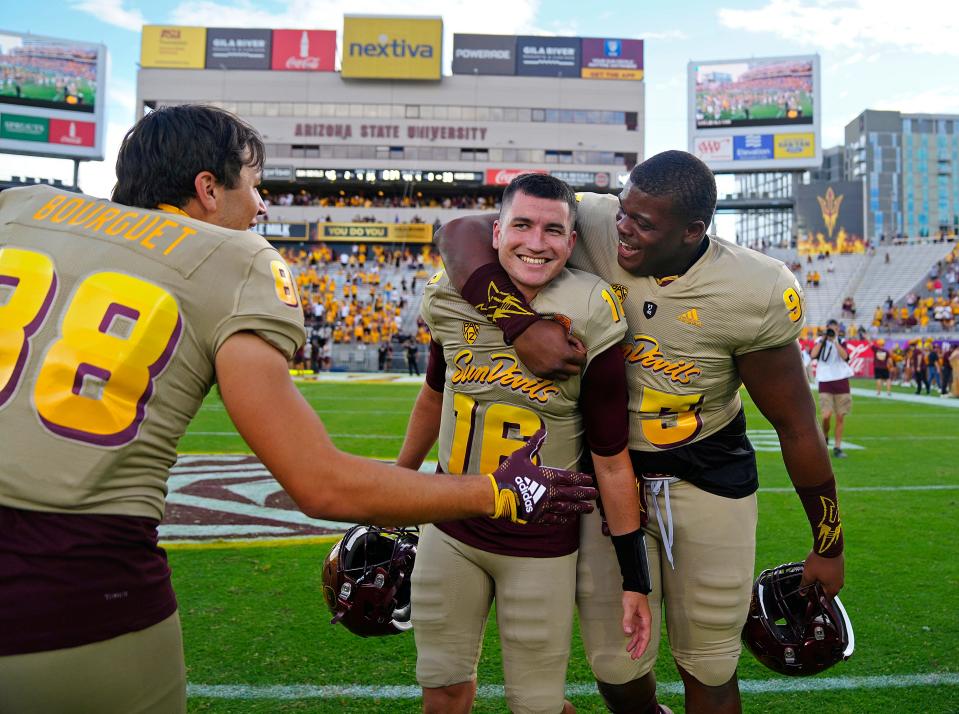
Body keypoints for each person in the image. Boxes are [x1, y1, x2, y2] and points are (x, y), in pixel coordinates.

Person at [0, 105, 596, 714]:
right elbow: (320, 484)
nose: (261, 207)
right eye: (255, 186)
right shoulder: (236, 260)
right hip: (77, 586)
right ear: (208, 189)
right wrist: (500, 492)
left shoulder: (20, 209)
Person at [436, 150, 845, 714]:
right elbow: (460, 231)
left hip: (706, 478)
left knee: (709, 660)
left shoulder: (752, 289)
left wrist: (829, 545)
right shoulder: (600, 222)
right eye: (624, 212)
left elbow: (797, 427)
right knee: (615, 664)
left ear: (694, 231)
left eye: (644, 224)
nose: (623, 230)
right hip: (609, 475)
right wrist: (517, 323)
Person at [396, 173, 650, 714]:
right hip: (451, 527)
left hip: (540, 543)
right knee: (441, 685)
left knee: (535, 704)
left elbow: (610, 458)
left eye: (553, 230)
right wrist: (395, 487)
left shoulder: (591, 309)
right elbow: (434, 395)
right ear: (495, 233)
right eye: (523, 225)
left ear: (573, 242)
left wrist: (635, 579)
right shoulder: (452, 291)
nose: (536, 243)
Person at [811, 319, 854, 458]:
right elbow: (813, 355)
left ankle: (837, 447)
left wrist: (835, 340)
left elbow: (846, 356)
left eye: (834, 329)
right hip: (825, 381)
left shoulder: (841, 341)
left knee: (840, 417)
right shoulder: (820, 341)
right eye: (830, 329)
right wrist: (824, 339)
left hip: (841, 381)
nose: (831, 331)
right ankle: (825, 435)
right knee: (826, 415)